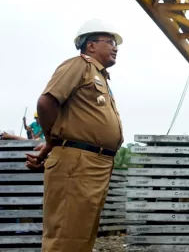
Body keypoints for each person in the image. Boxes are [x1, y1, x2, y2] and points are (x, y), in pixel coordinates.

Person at [24, 19, 124, 252]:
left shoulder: (100, 77)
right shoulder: (78, 66)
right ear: (90, 46)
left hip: (95, 163)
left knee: (80, 237)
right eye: (109, 42)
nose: (115, 47)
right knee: (65, 237)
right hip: (79, 163)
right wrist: (51, 142)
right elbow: (46, 102)